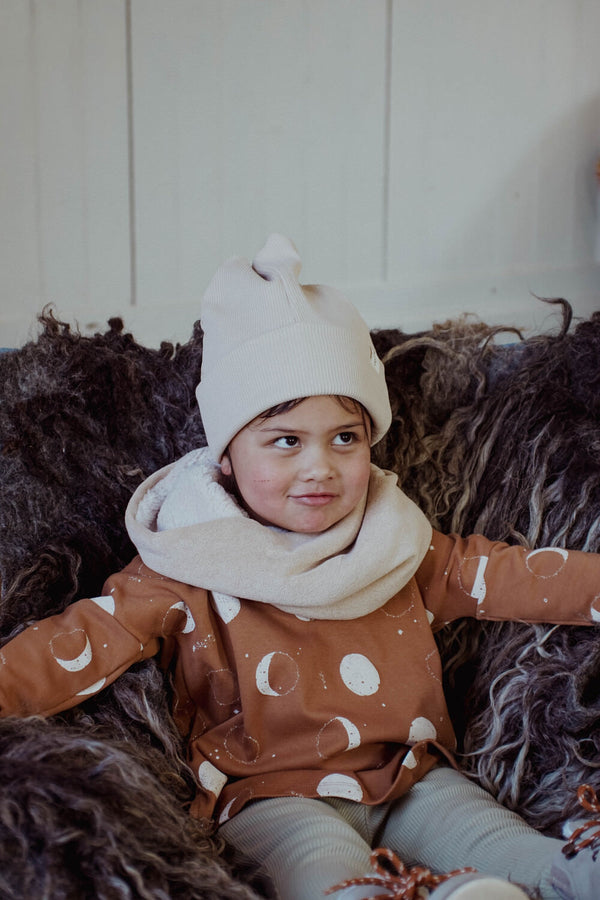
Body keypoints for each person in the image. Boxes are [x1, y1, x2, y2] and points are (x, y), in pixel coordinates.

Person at [0, 234, 599, 900]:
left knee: (516, 848)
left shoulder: (396, 544)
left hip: (412, 778)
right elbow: (80, 641)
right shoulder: (190, 560)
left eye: (345, 438)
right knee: (326, 875)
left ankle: (496, 888)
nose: (319, 466)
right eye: (285, 441)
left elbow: (512, 575)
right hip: (271, 796)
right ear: (227, 456)